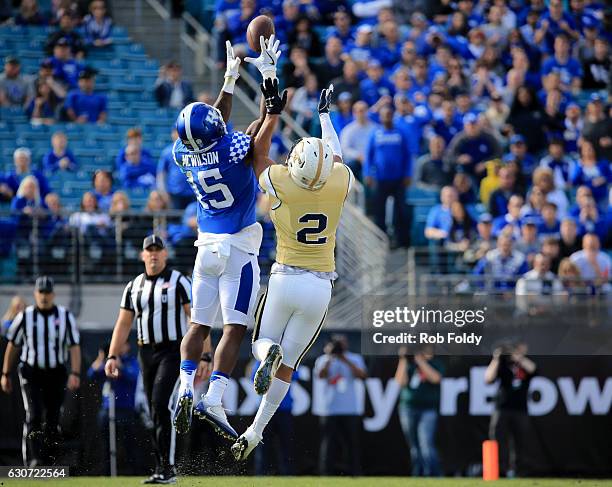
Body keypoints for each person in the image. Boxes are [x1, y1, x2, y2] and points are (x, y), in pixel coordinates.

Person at [230, 82, 356, 462]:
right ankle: (256, 430)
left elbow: (259, 154)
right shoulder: (338, 183)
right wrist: (324, 116)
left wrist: (273, 112)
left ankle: (268, 352)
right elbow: (333, 154)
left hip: (286, 276)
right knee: (289, 366)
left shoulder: (283, 181)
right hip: (320, 286)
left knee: (261, 344)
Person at [171, 37, 279, 442]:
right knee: (234, 328)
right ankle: (214, 395)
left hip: (205, 250)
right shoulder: (232, 149)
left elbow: (216, 123)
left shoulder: (184, 154)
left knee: (199, 324)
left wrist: (230, 78)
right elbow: (255, 135)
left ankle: (184, 388)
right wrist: (268, 78)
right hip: (238, 248)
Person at [105, 235, 202, 484]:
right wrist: (113, 355)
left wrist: (204, 354)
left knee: (160, 404)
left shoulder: (179, 281)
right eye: (150, 250)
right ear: (142, 255)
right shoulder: (134, 286)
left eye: (158, 250)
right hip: (145, 351)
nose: (154, 254)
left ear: (166, 254)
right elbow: (124, 323)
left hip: (172, 351)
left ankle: (168, 469)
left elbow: (196, 320)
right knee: (153, 410)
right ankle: (161, 467)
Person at [1, 276, 81, 466]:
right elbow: (13, 345)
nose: (44, 297)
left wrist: (75, 373)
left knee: (54, 418)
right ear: (36, 294)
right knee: (34, 415)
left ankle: (50, 460)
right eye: (41, 293)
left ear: (53, 294)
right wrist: (5, 373)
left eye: (47, 293)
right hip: (31, 373)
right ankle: (33, 459)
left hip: (56, 372)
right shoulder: (25, 316)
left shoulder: (64, 316)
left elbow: (74, 346)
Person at [313, 335, 367, 475]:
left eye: (342, 344)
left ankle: (354, 473)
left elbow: (362, 375)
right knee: (328, 444)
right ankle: (325, 473)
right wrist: (330, 357)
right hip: (329, 409)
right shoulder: (323, 359)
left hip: (350, 409)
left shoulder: (354, 358)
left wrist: (345, 360)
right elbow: (320, 375)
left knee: (351, 444)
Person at [485, 342, 537, 477]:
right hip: (502, 407)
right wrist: (496, 358)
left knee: (521, 442)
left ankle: (521, 471)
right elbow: (488, 378)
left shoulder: (526, 362)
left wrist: (518, 357)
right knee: (498, 440)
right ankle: (500, 470)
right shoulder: (503, 362)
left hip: (520, 409)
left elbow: (533, 369)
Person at [87, 341, 140, 475]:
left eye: (121, 345)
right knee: (106, 446)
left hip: (126, 409)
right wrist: (101, 358)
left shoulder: (131, 361)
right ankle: (107, 474)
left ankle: (134, 473)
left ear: (127, 346)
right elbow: (91, 374)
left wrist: (120, 366)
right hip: (107, 409)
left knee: (129, 446)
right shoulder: (108, 363)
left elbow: (133, 376)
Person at [364, 104, 411, 247]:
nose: (387, 117)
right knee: (379, 211)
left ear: (393, 115)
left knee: (400, 211)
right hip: (380, 179)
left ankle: (401, 241)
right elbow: (369, 155)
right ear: (380, 117)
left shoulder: (400, 132)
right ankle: (380, 240)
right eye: (384, 114)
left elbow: (408, 155)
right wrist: (367, 174)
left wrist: (408, 174)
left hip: (398, 179)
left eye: (389, 114)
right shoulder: (375, 133)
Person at [395, 344, 444, 477]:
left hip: (428, 409)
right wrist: (403, 359)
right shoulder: (410, 364)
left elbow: (435, 378)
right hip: (408, 408)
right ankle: (418, 474)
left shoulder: (435, 363)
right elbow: (400, 382)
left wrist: (420, 361)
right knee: (414, 447)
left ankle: (432, 474)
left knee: (426, 443)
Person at [157, 128, 194, 210]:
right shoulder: (167, 151)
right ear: (172, 134)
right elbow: (161, 173)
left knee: (192, 215)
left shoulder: (192, 150)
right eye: (176, 132)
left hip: (191, 191)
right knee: (175, 218)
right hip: (174, 192)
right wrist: (163, 192)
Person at [339, 100, 374, 180]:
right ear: (354, 113)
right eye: (358, 111)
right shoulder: (348, 130)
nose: (361, 114)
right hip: (356, 162)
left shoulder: (375, 128)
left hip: (372, 160)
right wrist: (358, 156)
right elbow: (345, 149)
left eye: (363, 110)